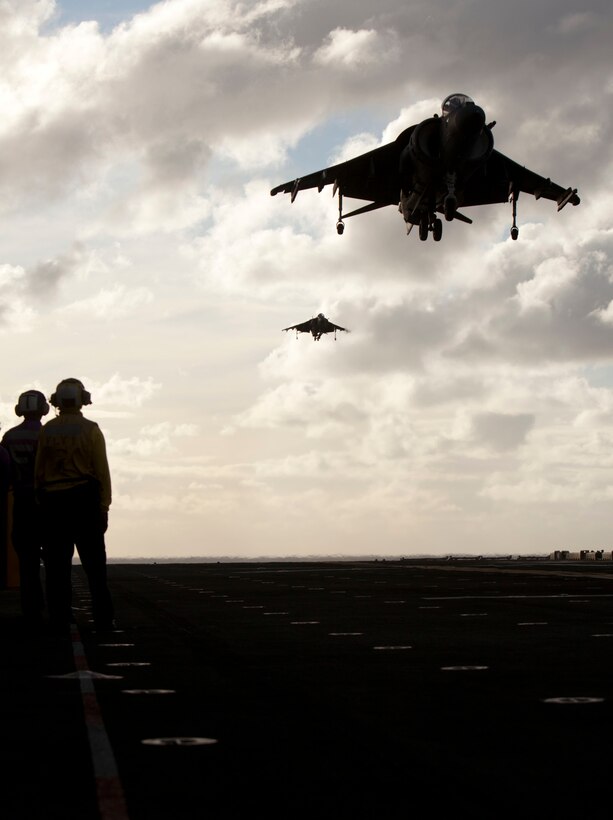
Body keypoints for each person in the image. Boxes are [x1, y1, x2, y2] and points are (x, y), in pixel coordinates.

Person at [35, 378, 115, 633]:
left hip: (54, 503)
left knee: (57, 569)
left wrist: (41, 502)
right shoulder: (91, 430)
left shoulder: (47, 430)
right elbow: (102, 471)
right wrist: (104, 506)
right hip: (85, 501)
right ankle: (103, 619)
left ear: (56, 401)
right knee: (95, 567)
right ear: (83, 399)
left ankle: (60, 619)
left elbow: (39, 472)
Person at [1, 391, 48, 623]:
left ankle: (31, 610)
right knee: (55, 561)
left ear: (20, 410)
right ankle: (58, 609)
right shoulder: (48, 435)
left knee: (27, 563)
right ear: (43, 410)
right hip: (47, 505)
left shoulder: (9, 437)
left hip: (21, 503)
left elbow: (4, 472)